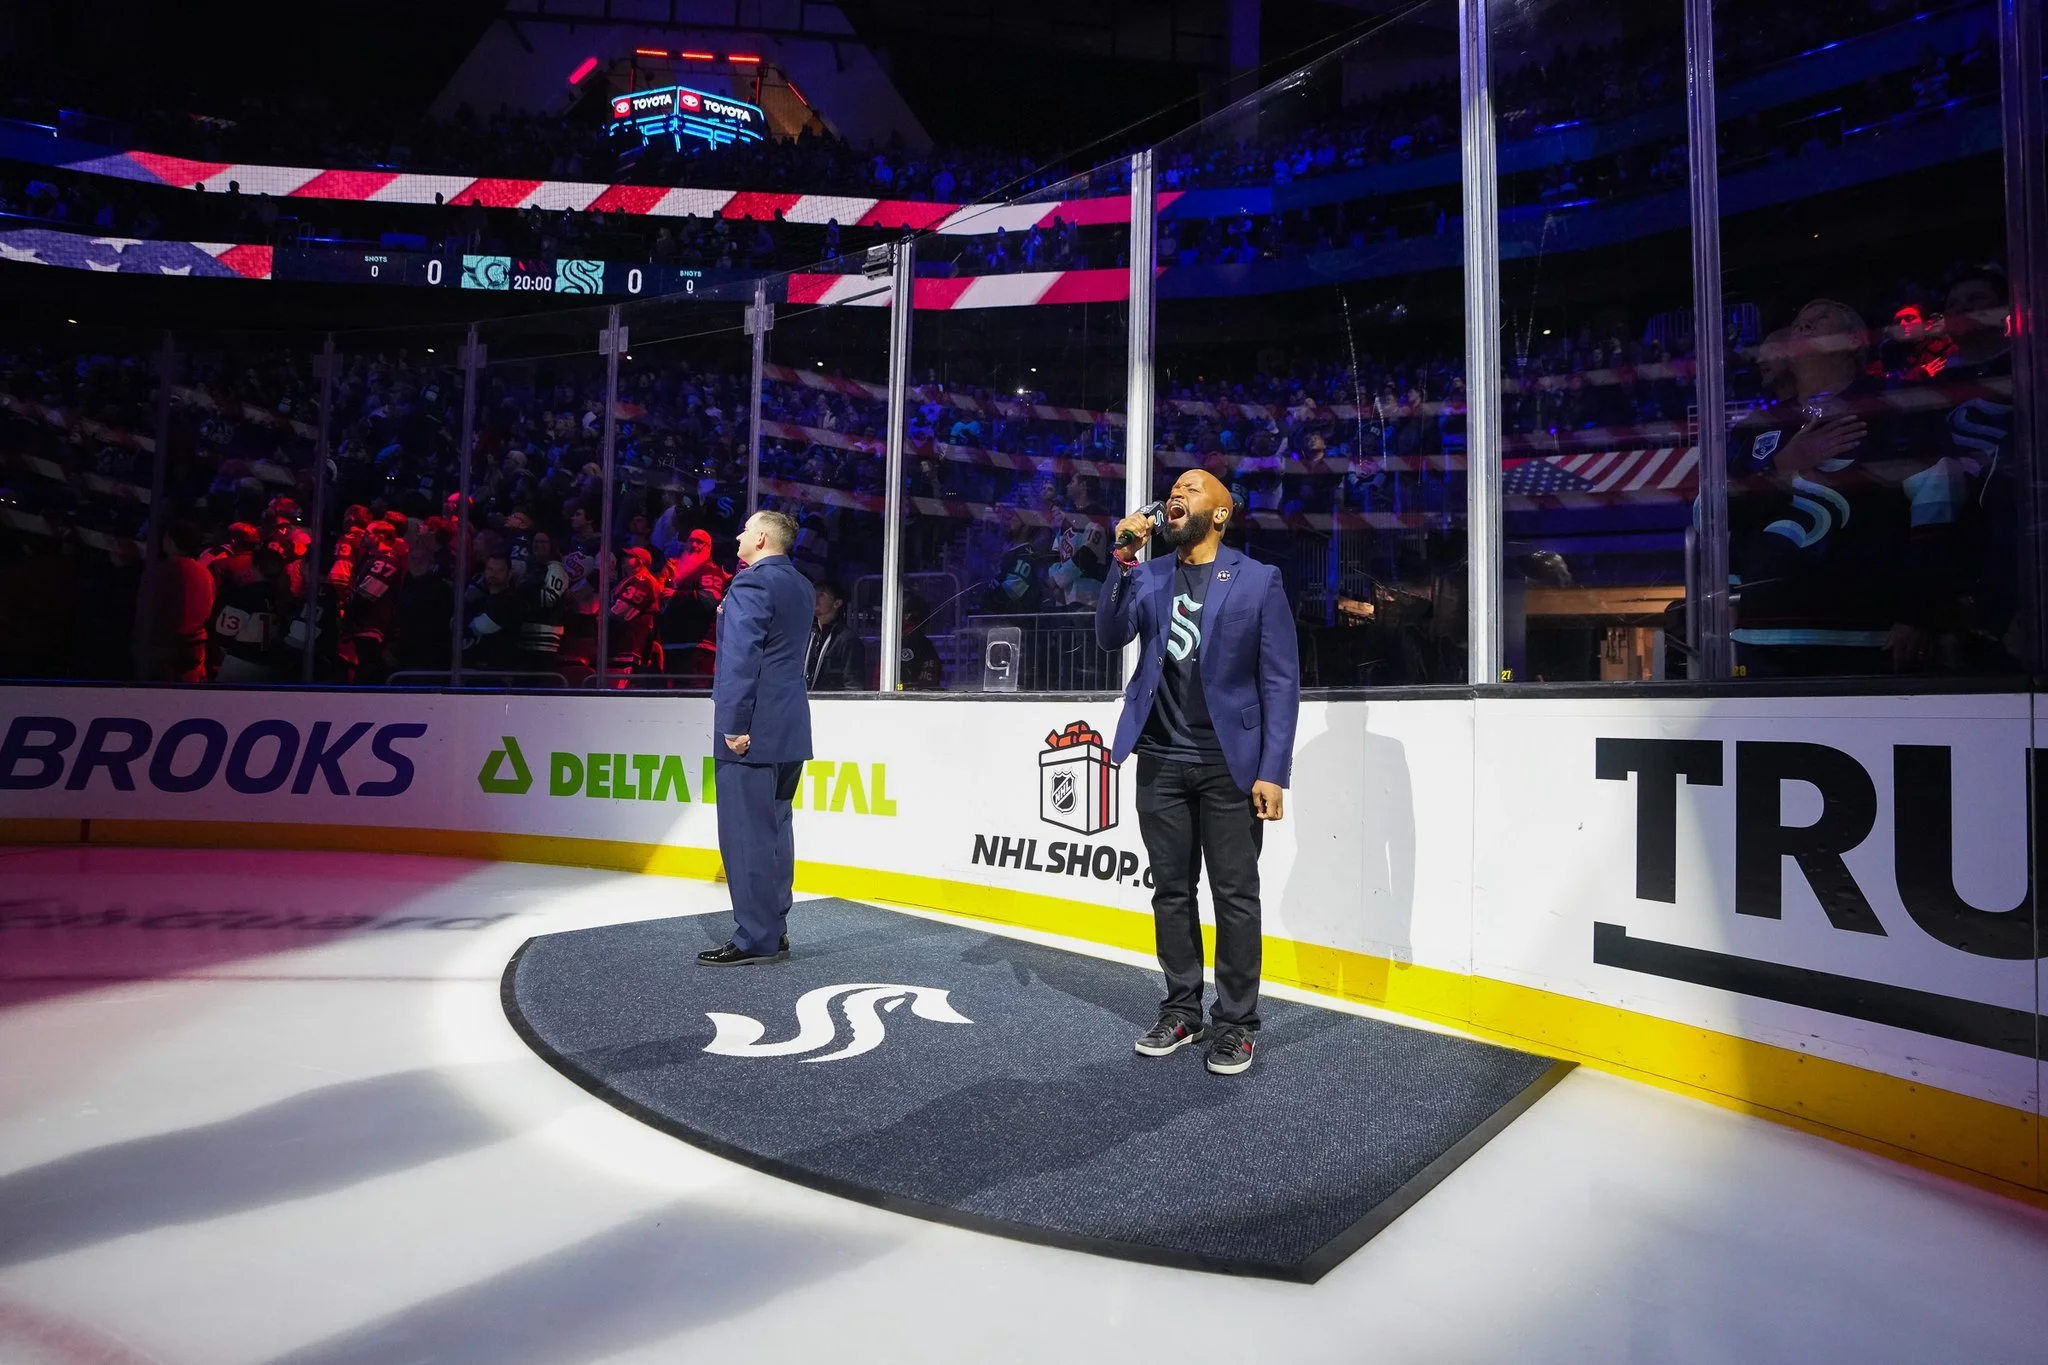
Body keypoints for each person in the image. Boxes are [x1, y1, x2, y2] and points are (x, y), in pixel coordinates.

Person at [1098, 470, 1299, 1075]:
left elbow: (1280, 682)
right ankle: (1182, 1009)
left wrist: (1273, 770)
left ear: (1221, 512)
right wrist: (1122, 557)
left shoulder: (1258, 580)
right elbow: (1109, 635)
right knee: (1170, 892)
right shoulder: (1149, 574)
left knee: (1235, 896)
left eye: (1192, 488)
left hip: (1229, 766)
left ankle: (1236, 1024)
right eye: (1174, 489)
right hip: (1160, 758)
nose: (1176, 494)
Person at [700, 510, 816, 967]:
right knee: (775, 831)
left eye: (746, 529)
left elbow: (740, 657)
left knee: (747, 835)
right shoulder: (801, 585)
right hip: (788, 724)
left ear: (763, 538)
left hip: (752, 727)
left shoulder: (751, 584)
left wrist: (732, 723)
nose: (738, 535)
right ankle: (774, 928)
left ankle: (756, 937)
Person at [132, 521, 214, 683]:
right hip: (195, 645)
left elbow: (149, 608)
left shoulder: (163, 569)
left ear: (170, 540)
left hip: (165, 647)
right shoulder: (204, 571)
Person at [805, 580, 866, 691]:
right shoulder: (808, 635)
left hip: (833, 701)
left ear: (837, 603)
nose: (815, 597)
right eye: (814, 593)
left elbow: (853, 687)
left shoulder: (847, 640)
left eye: (822, 595)